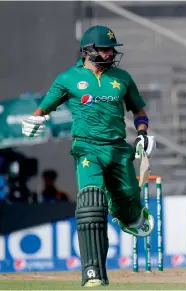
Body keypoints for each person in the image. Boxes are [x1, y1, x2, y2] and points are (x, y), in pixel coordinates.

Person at [21, 25, 156, 287]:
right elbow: (43, 109)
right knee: (91, 201)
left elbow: (139, 111)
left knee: (129, 199)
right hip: (86, 147)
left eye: (112, 49)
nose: (111, 53)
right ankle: (93, 272)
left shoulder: (122, 77)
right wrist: (33, 121)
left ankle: (125, 213)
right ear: (88, 50)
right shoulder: (68, 78)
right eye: (106, 49)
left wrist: (142, 134)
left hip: (117, 148)